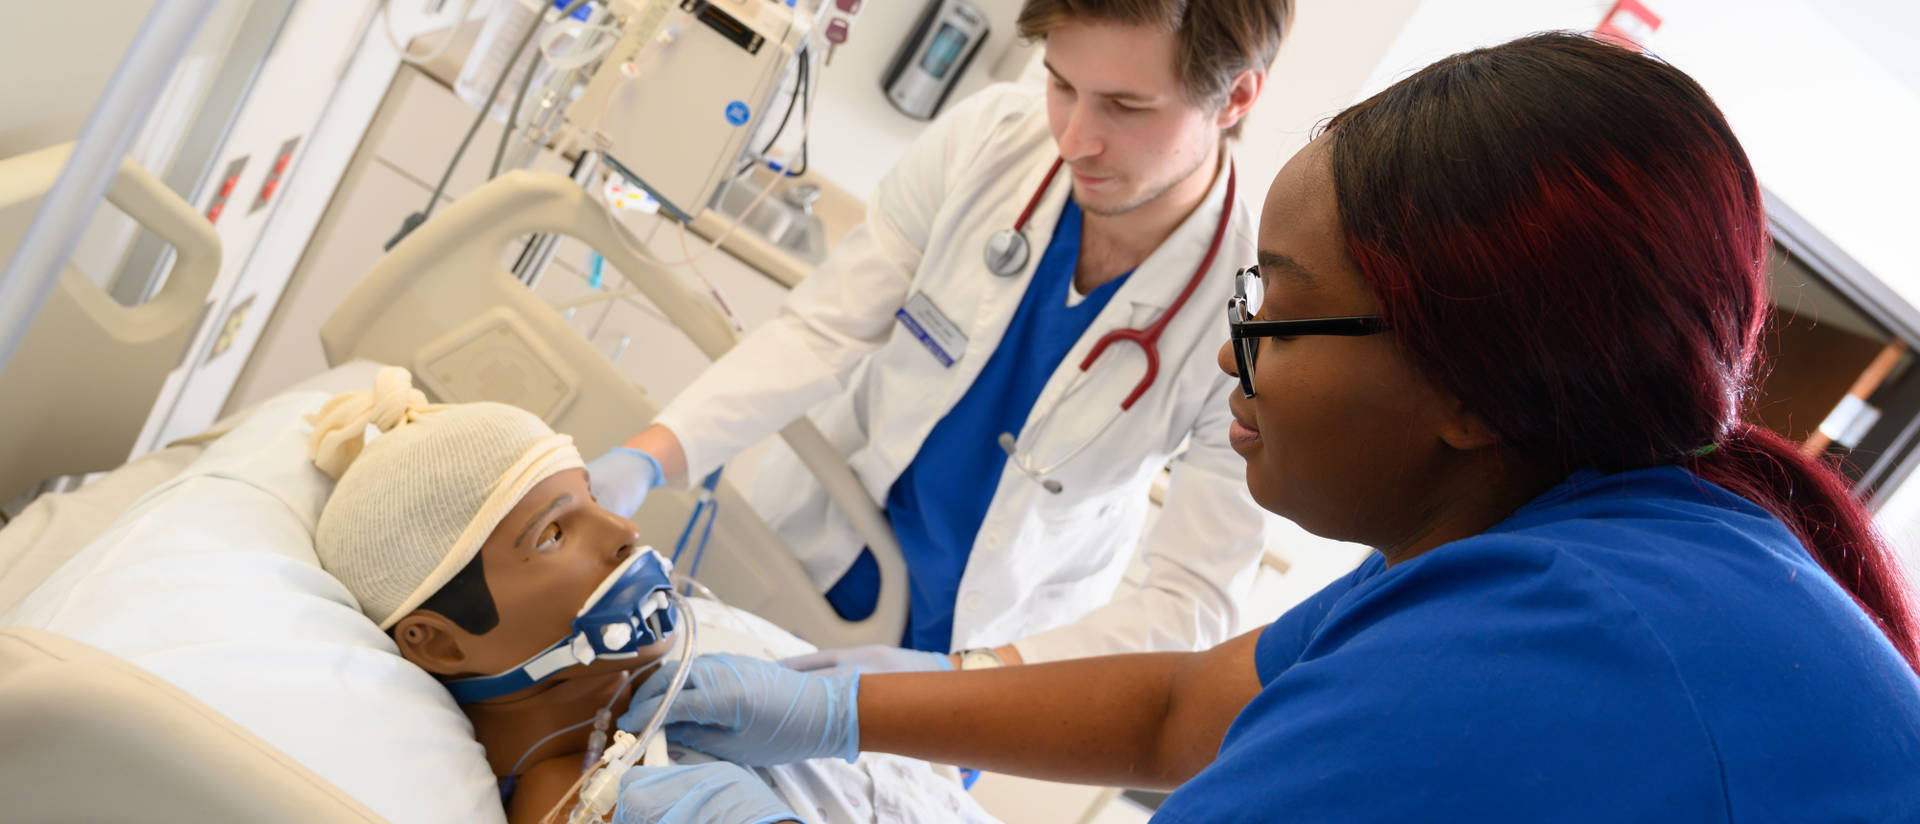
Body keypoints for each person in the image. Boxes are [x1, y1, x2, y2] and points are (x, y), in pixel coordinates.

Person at [607, 33, 1920, 821]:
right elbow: (1185, 709)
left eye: (1279, 311)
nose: (1238, 356)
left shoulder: (1528, 672)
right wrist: (838, 706)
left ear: (1472, 390)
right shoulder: (1560, 553)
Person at [588, 0, 1295, 674]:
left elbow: (1195, 597)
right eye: (1060, 84)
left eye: (1124, 105)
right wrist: (645, 459)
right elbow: (820, 332)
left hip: (997, 656)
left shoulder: (1255, 321)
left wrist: (977, 677)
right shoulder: (989, 143)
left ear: (1234, 98)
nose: (1076, 138)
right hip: (803, 559)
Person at [306, 367, 1000, 824]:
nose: (622, 529)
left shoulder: (705, 681)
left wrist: (845, 707)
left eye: (590, 498)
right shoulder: (585, 799)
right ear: (442, 641)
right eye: (552, 534)